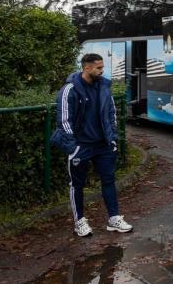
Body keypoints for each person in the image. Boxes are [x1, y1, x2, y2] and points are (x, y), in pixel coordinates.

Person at [51, 53, 132, 237]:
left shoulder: (104, 86)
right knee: (77, 184)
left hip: (102, 145)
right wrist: (74, 148)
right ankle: (79, 222)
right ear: (86, 67)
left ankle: (114, 219)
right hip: (81, 146)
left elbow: (111, 114)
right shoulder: (69, 89)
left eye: (102, 67)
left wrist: (112, 139)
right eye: (99, 68)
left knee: (109, 180)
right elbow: (64, 120)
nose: (102, 71)